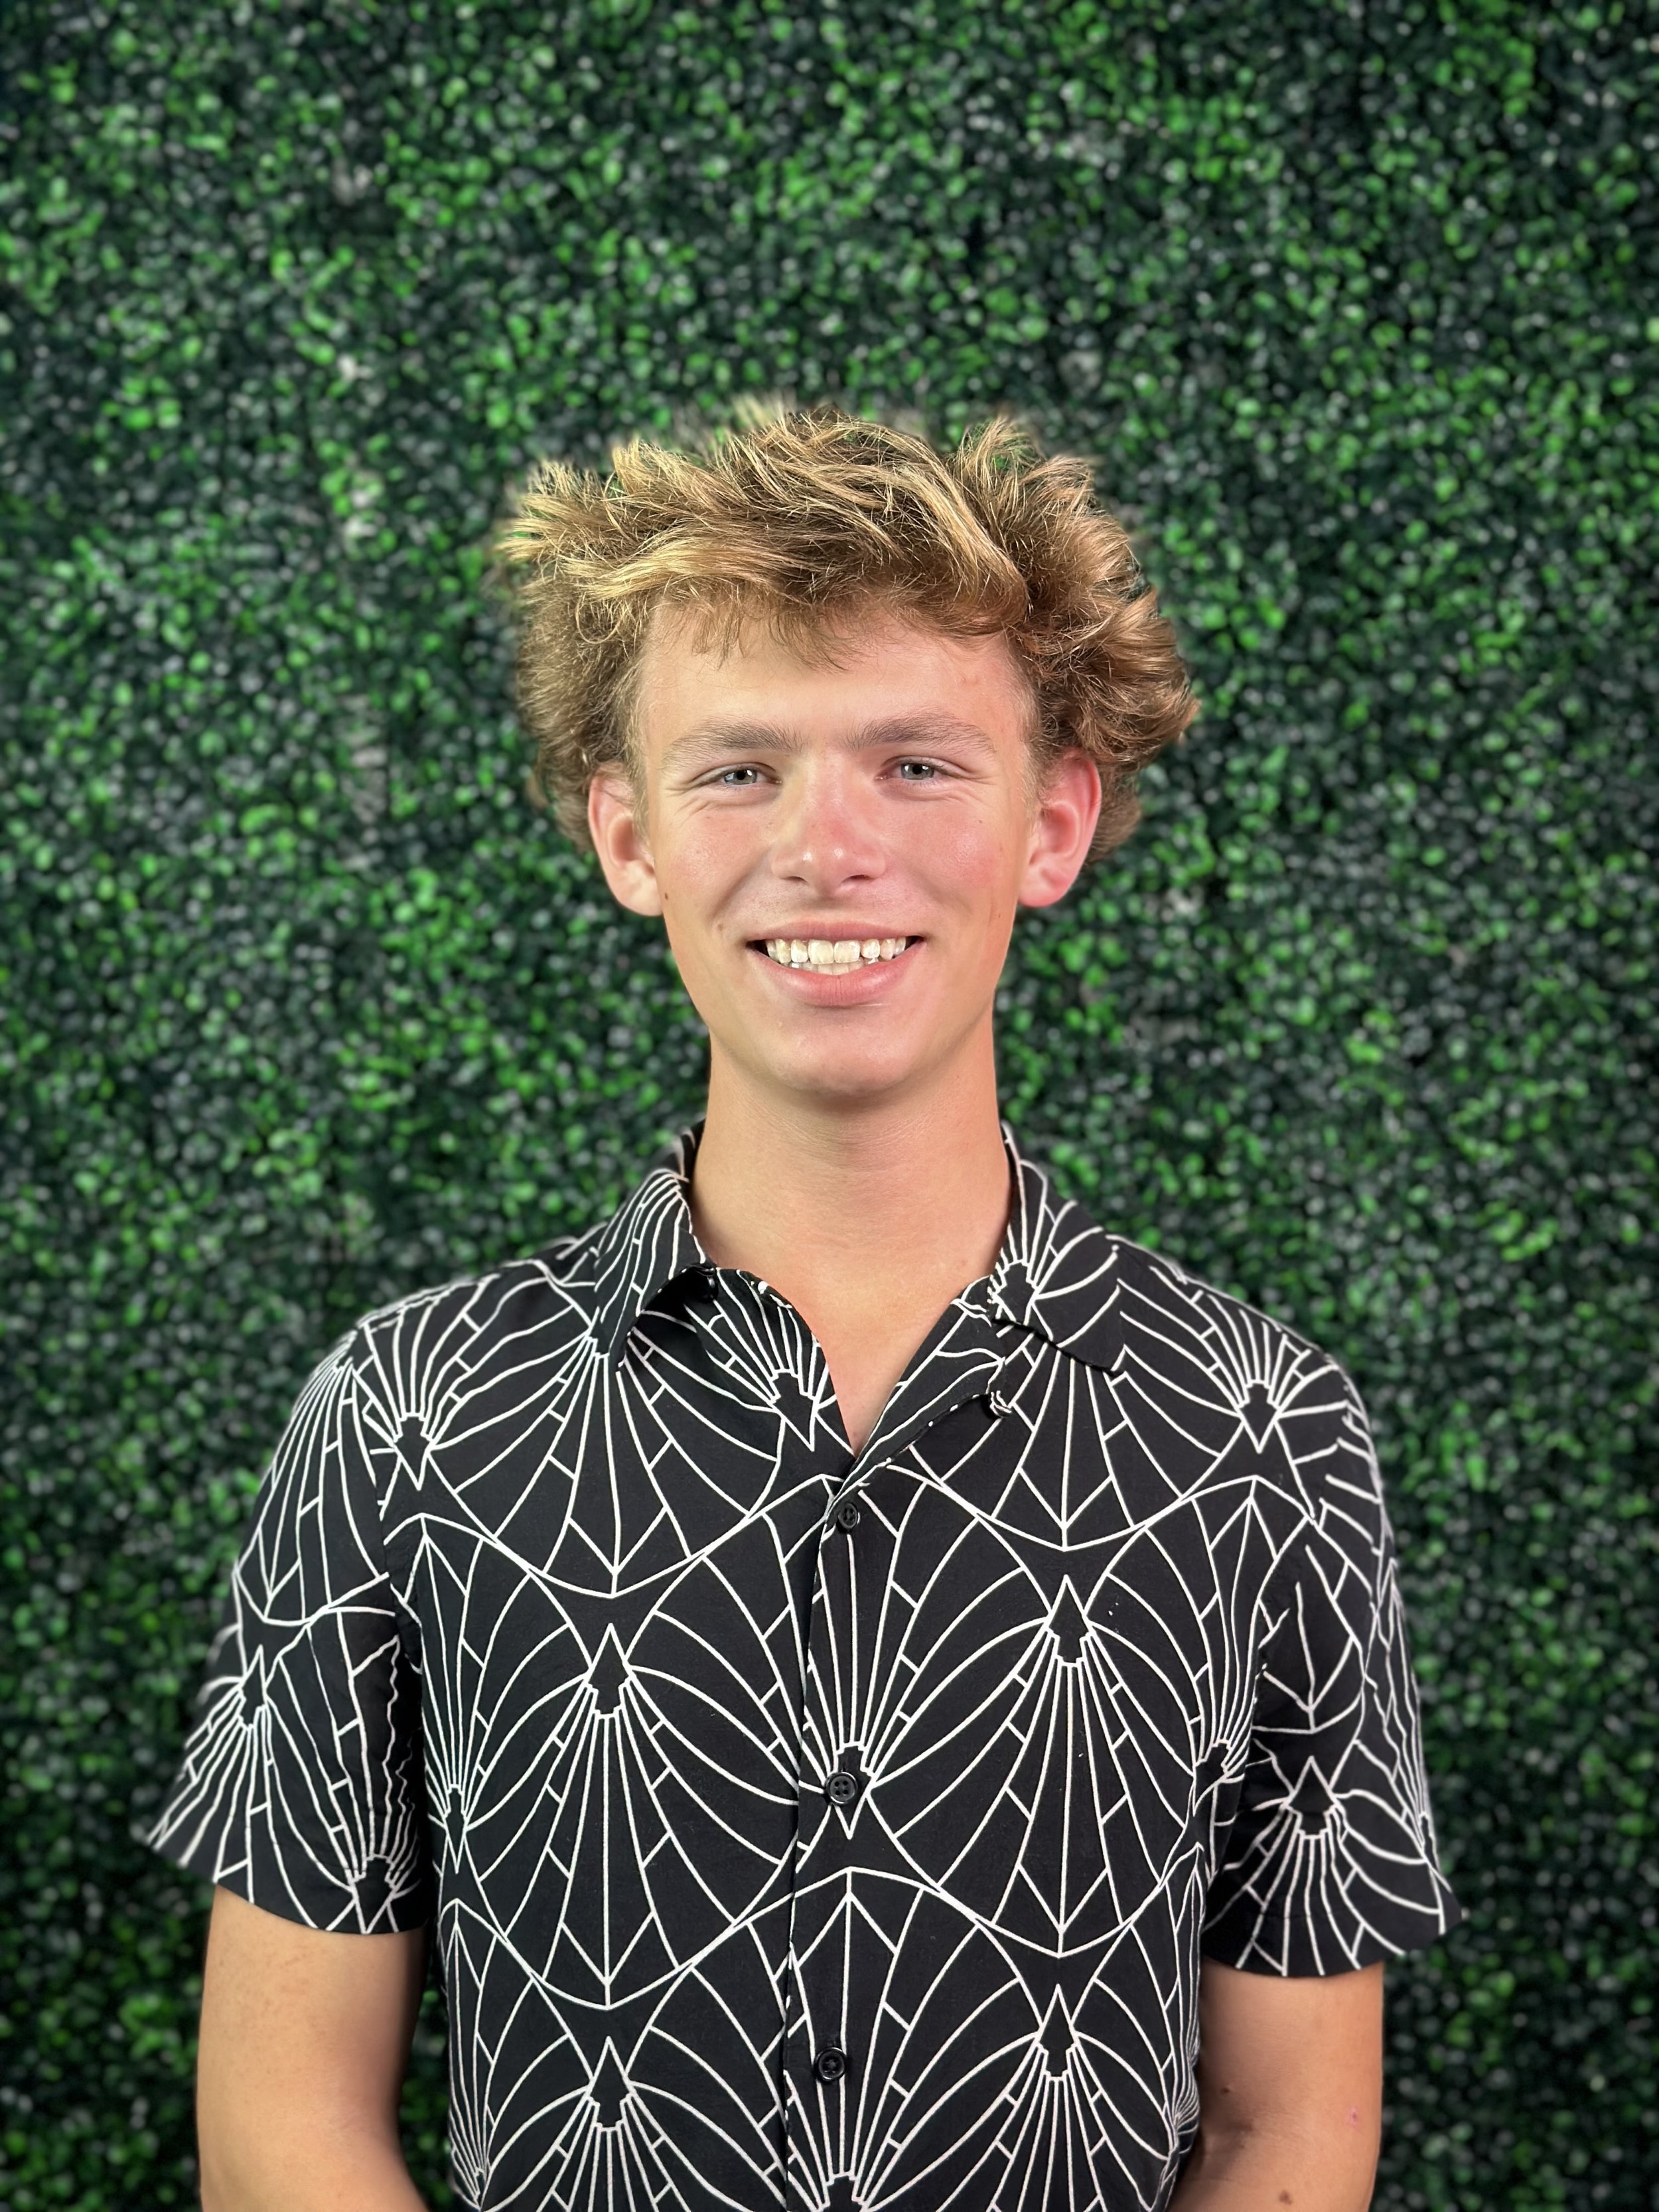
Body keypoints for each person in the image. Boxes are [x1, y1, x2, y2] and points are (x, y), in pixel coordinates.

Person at [151, 406, 1459, 2212]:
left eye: (916, 764)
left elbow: (1280, 2132)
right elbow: (284, 2125)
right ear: (628, 837)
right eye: (737, 768)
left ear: (1051, 822)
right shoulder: (404, 1416)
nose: (825, 847)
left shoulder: (1261, 1429)